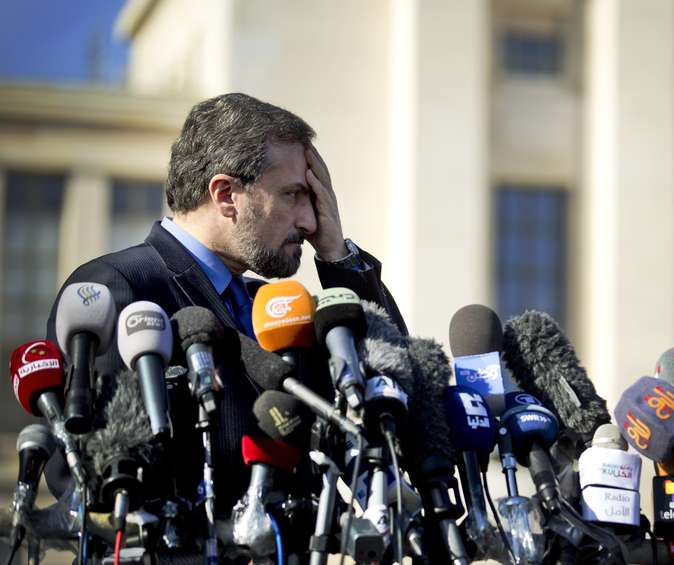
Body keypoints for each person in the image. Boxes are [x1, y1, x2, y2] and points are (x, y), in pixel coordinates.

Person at [44, 93, 406, 514]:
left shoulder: (281, 309)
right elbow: (90, 482)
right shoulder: (119, 287)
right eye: (293, 195)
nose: (310, 222)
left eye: (315, 199)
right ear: (226, 195)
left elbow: (394, 399)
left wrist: (338, 258)